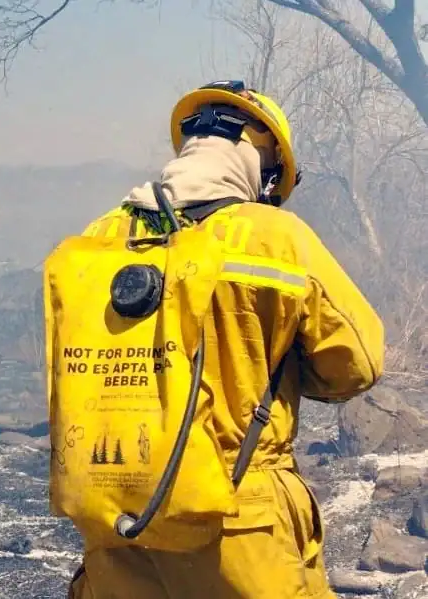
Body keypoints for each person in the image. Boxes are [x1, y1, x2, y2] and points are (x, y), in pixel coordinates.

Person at [66, 81, 385, 599]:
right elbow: (358, 364)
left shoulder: (99, 235)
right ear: (265, 163)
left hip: (117, 515)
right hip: (238, 515)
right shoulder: (274, 237)